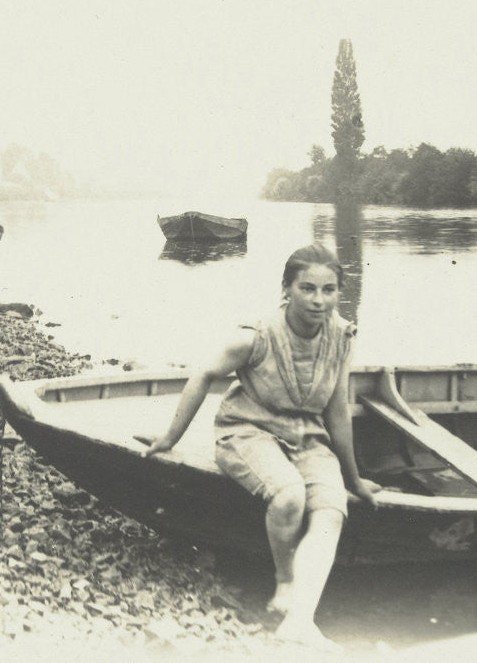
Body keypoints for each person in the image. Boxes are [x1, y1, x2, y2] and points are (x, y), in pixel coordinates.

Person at [142, 243, 379, 650]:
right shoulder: (256, 336)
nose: (319, 300)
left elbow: (338, 410)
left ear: (340, 292)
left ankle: (299, 621)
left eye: (329, 290)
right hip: (247, 431)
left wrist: (354, 480)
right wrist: (169, 439)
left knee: (331, 512)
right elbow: (203, 375)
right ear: (287, 289)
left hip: (308, 437)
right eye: (307, 288)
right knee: (289, 497)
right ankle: (285, 580)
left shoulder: (342, 338)